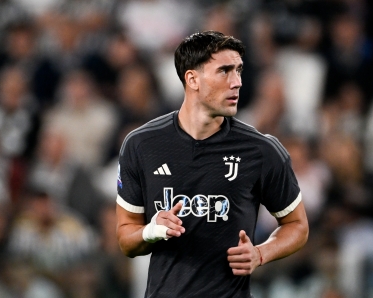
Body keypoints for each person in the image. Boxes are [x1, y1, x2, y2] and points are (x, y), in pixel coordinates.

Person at [115, 30, 309, 297]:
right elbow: (126, 239)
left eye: (239, 70)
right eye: (225, 71)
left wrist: (260, 253)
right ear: (192, 79)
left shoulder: (261, 150)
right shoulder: (141, 145)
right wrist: (151, 230)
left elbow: (297, 225)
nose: (237, 82)